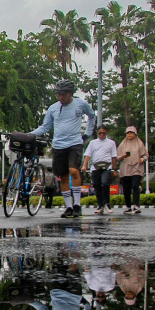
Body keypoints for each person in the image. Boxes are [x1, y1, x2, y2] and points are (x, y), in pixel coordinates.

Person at [30, 78, 97, 218]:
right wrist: (29, 135)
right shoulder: (53, 108)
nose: (61, 97)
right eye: (59, 94)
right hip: (58, 145)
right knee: (63, 176)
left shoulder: (81, 104)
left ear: (70, 93)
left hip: (75, 143)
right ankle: (69, 207)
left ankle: (77, 204)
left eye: (64, 94)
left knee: (73, 170)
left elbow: (92, 116)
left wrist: (88, 134)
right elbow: (45, 127)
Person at [82, 125, 118, 214]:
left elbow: (114, 156)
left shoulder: (111, 143)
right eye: (100, 133)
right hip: (95, 167)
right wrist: (84, 165)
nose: (101, 135)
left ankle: (106, 203)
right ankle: (100, 205)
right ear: (97, 133)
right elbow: (88, 155)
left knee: (105, 183)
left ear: (107, 133)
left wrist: (115, 169)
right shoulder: (93, 143)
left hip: (106, 167)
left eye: (103, 133)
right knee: (96, 185)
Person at [117, 125, 148, 215]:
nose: (129, 135)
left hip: (136, 167)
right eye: (128, 133)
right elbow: (117, 156)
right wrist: (123, 156)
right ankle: (128, 206)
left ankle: (136, 205)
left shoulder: (139, 144)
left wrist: (143, 159)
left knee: (135, 186)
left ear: (135, 134)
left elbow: (145, 154)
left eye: (131, 133)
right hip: (125, 168)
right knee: (126, 188)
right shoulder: (122, 144)